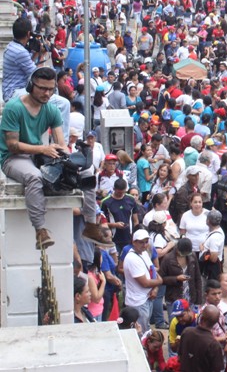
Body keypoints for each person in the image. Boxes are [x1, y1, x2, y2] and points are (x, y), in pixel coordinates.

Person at [0, 66, 109, 249]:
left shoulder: (51, 109)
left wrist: (71, 159)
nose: (47, 93)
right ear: (31, 86)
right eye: (42, 88)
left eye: (50, 89)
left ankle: (90, 224)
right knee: (34, 178)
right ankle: (40, 230)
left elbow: (60, 142)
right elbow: (13, 145)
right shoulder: (14, 108)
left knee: (87, 171)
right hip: (13, 157)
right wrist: (43, 149)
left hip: (40, 154)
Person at [124, 228, 164, 333]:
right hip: (138, 302)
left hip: (147, 298)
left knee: (146, 328)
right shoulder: (131, 258)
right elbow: (145, 283)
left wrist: (155, 288)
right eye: (141, 242)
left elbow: (153, 271)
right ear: (134, 242)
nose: (144, 245)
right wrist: (159, 282)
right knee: (140, 332)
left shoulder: (144, 253)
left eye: (146, 242)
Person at [179, 304, 225, 372]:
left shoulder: (186, 332)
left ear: (201, 318)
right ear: (216, 322)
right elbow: (217, 369)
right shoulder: (214, 345)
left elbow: (180, 356)